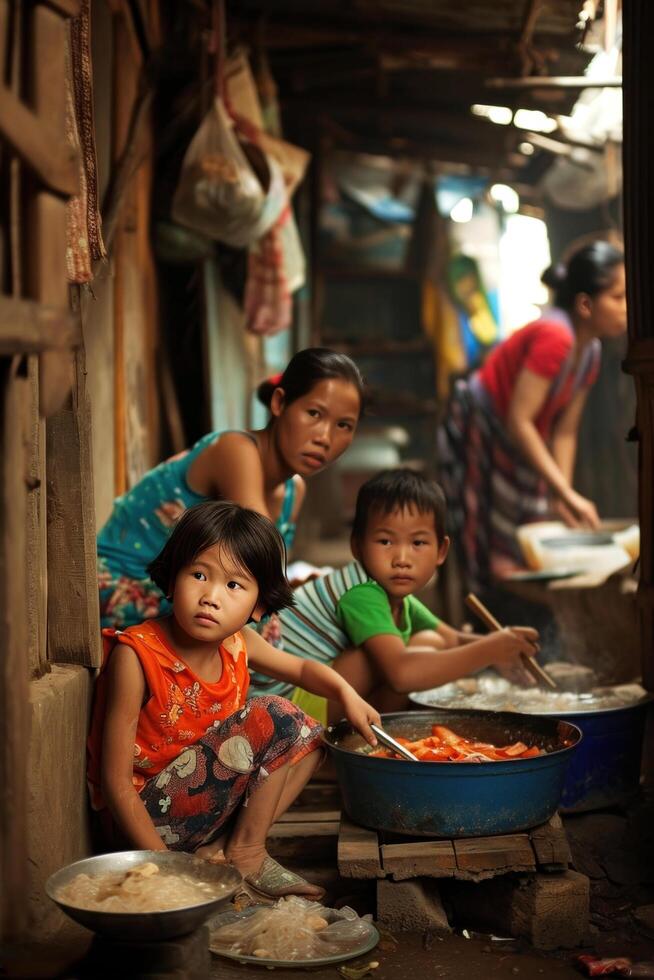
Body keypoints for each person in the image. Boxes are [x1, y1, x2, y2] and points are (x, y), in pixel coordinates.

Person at [88, 501, 380, 900]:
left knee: (312, 738)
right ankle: (242, 852)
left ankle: (231, 848)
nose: (211, 597)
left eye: (233, 585)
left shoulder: (238, 643)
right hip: (144, 820)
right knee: (274, 714)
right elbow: (115, 783)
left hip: (200, 815)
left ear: (258, 605)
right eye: (198, 574)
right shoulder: (137, 655)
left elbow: (304, 670)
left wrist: (347, 693)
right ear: (172, 578)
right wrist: (165, 871)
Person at [97, 347, 364, 629]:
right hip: (126, 589)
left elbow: (263, 580)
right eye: (313, 413)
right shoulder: (235, 450)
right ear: (279, 402)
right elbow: (260, 568)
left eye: (344, 425)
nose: (325, 437)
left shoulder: (293, 492)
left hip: (195, 598)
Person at [247, 468, 539, 725]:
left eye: (418, 543)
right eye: (385, 541)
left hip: (307, 696)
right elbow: (400, 674)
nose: (401, 558)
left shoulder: (396, 596)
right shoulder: (363, 593)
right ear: (357, 546)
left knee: (430, 642)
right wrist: (490, 650)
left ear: (441, 551)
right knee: (392, 659)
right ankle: (336, 748)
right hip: (280, 710)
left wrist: (506, 647)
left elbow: (451, 639)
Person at [437, 240, 627, 592]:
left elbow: (565, 432)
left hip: (520, 434)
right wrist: (567, 495)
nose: (627, 308)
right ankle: (488, 614)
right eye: (617, 297)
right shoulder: (556, 337)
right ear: (585, 303)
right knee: (492, 536)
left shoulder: (591, 352)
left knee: (536, 521)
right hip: (484, 424)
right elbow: (518, 420)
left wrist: (562, 493)